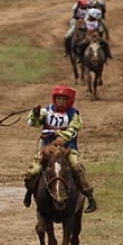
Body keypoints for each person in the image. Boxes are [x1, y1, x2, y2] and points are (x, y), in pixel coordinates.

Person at [23, 85, 97, 213]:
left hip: (67, 148)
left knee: (76, 166)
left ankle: (90, 196)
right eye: (58, 99)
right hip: (47, 148)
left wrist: (59, 136)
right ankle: (29, 191)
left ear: (69, 101)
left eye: (64, 99)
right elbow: (32, 123)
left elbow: (72, 131)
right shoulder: (46, 111)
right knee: (34, 170)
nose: (61, 102)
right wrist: (35, 114)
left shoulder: (74, 114)